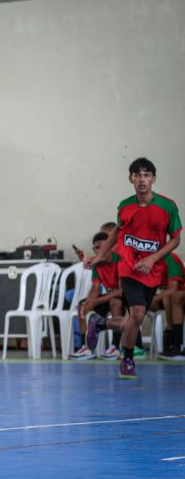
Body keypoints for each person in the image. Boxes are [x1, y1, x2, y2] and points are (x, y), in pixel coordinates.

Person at [85, 157, 181, 379]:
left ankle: (100, 324)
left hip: (152, 271)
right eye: (137, 175)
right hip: (128, 267)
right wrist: (100, 255)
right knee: (137, 313)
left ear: (153, 179)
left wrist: (153, 259)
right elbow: (118, 231)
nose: (142, 179)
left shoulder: (167, 206)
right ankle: (128, 359)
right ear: (131, 179)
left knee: (132, 320)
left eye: (147, 175)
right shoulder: (125, 206)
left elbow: (175, 240)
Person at [72, 232, 124, 360]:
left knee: (115, 302)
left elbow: (121, 291)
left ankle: (115, 347)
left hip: (126, 299)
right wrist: (89, 302)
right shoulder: (98, 264)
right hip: (110, 296)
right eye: (95, 248)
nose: (96, 250)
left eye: (100, 247)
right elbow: (95, 288)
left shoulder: (121, 260)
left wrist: (96, 301)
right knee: (83, 305)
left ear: (110, 247)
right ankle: (87, 348)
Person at [155, 252, 184, 359]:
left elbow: (173, 289)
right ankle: (136, 346)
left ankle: (176, 344)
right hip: (169, 297)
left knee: (172, 296)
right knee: (137, 303)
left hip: (178, 295)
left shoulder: (170, 259)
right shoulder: (146, 260)